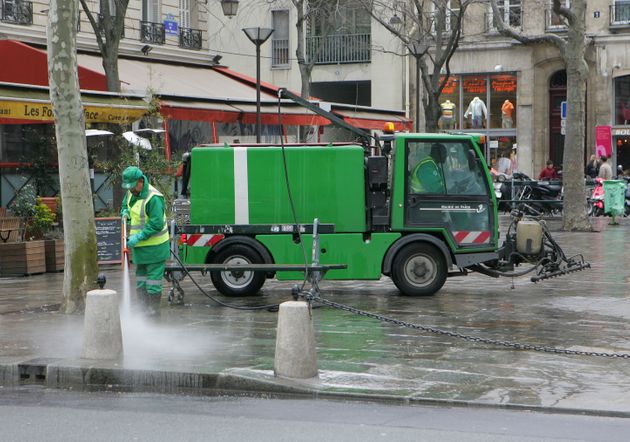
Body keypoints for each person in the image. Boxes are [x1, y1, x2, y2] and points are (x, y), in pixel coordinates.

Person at [120, 166, 170, 317]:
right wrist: (125, 211)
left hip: (155, 248)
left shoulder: (153, 198)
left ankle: (153, 312)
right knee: (141, 279)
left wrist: (138, 237)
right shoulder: (131, 192)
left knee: (153, 282)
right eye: (128, 187)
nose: (131, 190)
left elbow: (156, 224)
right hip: (139, 248)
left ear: (141, 181)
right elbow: (125, 204)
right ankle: (143, 310)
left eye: (133, 186)